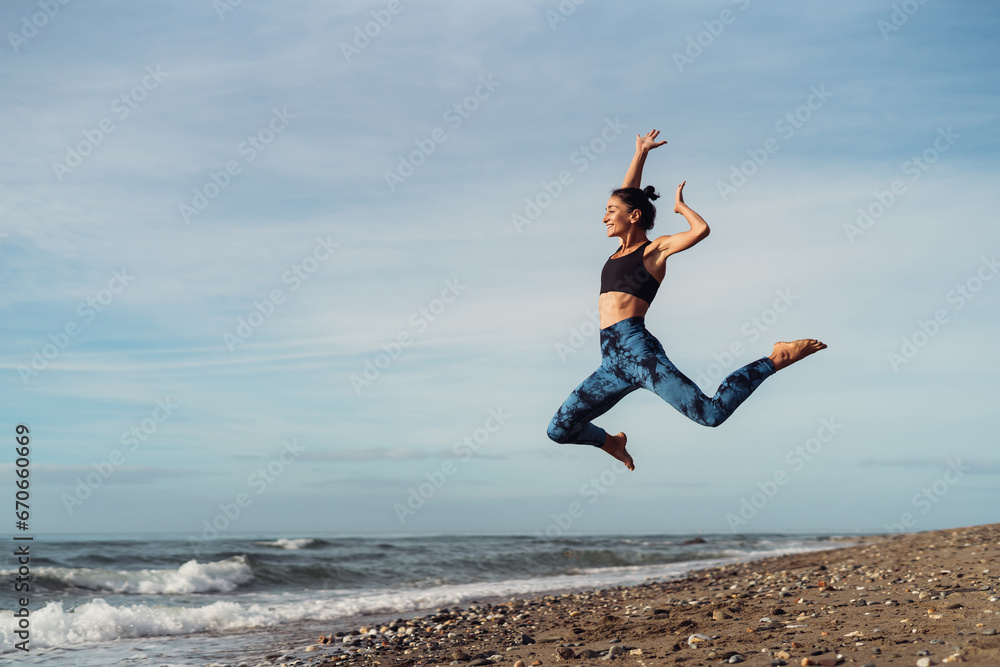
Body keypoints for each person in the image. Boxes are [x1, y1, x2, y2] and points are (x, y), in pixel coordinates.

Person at [546, 129, 826, 471]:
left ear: (633, 216)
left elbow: (700, 230)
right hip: (611, 362)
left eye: (611, 211)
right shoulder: (619, 251)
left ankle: (775, 358)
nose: (604, 216)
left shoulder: (653, 251)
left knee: (710, 414)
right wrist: (641, 153)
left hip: (640, 354)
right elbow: (629, 193)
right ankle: (612, 442)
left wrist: (681, 208)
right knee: (559, 429)